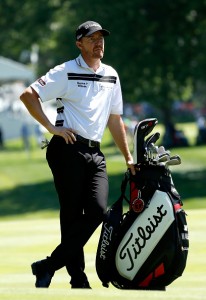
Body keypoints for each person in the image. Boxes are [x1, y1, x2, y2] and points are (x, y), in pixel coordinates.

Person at [20, 20, 135, 289]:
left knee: (96, 210)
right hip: (67, 149)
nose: (99, 42)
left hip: (95, 153)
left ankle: (47, 265)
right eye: (92, 38)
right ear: (79, 43)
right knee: (71, 215)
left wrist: (128, 156)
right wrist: (51, 128)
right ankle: (78, 279)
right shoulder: (66, 71)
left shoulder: (111, 75)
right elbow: (28, 95)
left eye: (101, 38)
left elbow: (115, 119)